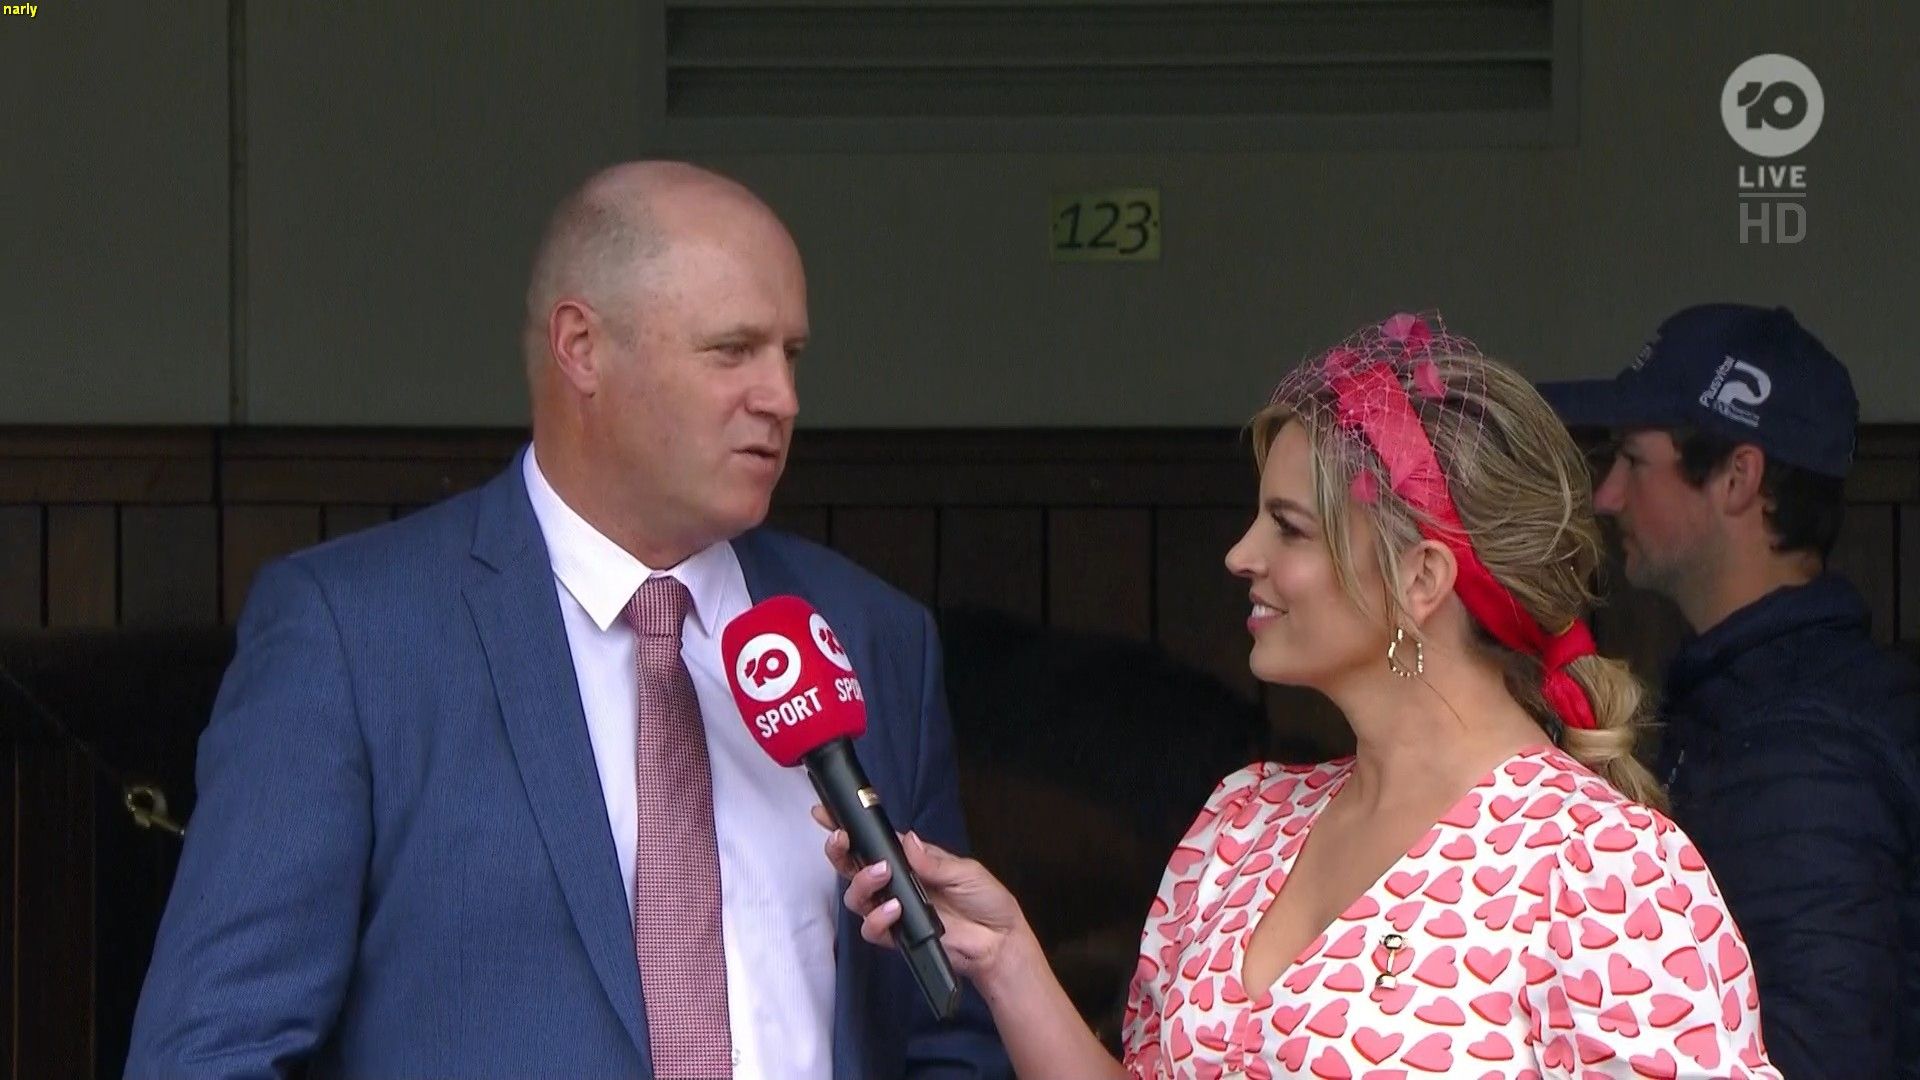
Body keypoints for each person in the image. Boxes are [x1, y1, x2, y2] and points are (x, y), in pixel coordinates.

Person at [125, 162, 1009, 1079]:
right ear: (581, 347)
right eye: (732, 350)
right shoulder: (354, 637)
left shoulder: (870, 637)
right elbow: (211, 1051)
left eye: (791, 355)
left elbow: (948, 1035)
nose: (780, 398)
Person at [822, 314, 1778, 1078]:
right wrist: (1007, 958)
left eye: (1288, 528)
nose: (1241, 555)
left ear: (1421, 579)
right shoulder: (1241, 825)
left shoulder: (1601, 869)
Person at [1541, 302, 1920, 1079]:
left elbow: (1818, 1060)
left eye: (1632, 460)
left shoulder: (1805, 750)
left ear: (1738, 478)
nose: (1607, 496)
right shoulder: (1740, 698)